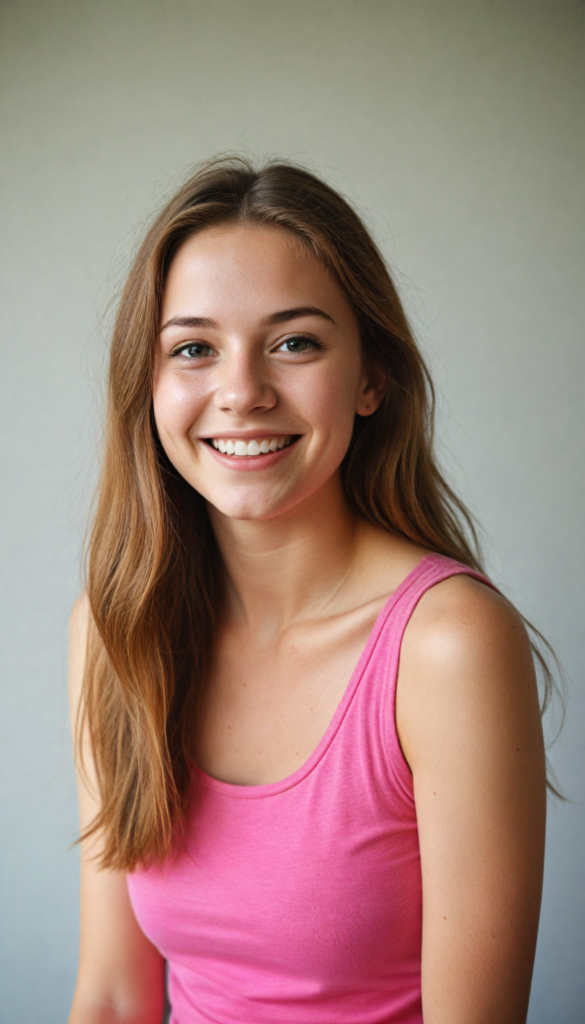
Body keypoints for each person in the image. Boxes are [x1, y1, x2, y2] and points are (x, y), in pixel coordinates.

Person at [68, 157, 549, 1024]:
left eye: (293, 342)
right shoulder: (115, 632)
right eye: (193, 349)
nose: (242, 393)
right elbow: (110, 995)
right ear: (149, 384)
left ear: (370, 379)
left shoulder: (447, 646)